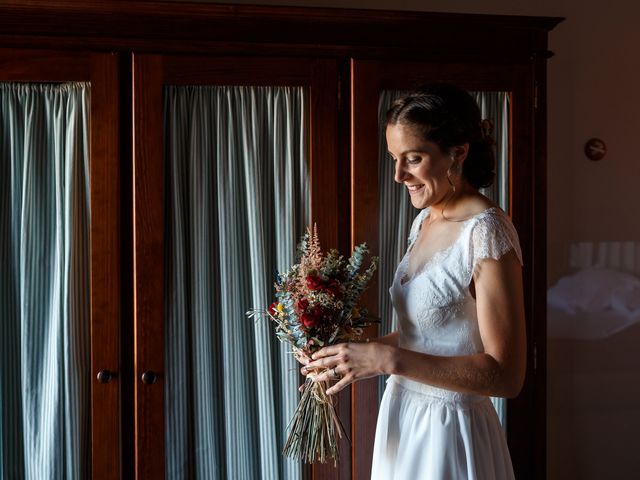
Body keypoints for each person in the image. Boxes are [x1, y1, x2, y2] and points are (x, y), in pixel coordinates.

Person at [299, 83, 526, 479]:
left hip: (450, 431)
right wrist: (356, 357)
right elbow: (427, 334)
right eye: (393, 159)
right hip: (404, 414)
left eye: (413, 159)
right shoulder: (426, 218)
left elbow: (506, 376)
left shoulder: (487, 232)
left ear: (457, 153)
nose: (399, 175)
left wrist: (388, 360)